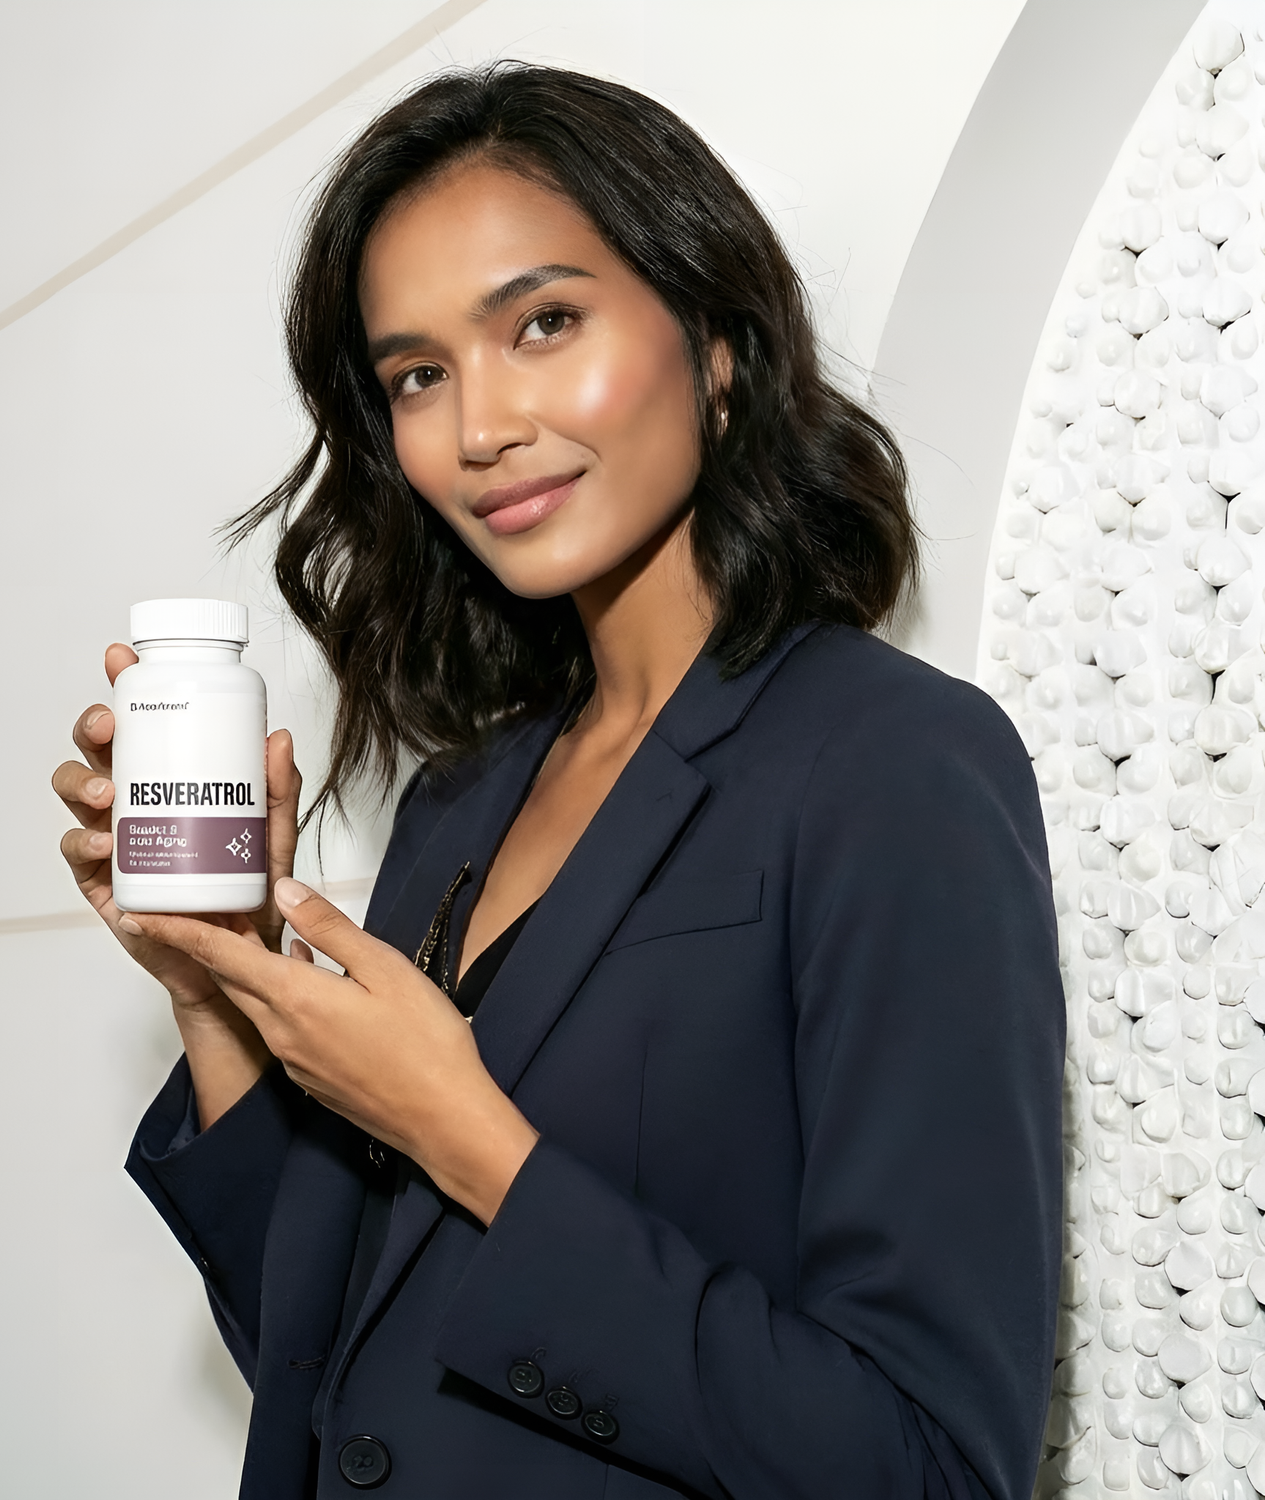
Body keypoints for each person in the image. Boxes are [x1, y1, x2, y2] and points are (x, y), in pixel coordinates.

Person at [53, 63, 1064, 1500]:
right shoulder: (460, 801)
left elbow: (930, 1467)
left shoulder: (892, 764)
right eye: (418, 374)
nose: (478, 429)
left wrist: (468, 1137)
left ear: (716, 341)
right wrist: (216, 990)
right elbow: (339, 1369)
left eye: (542, 323)